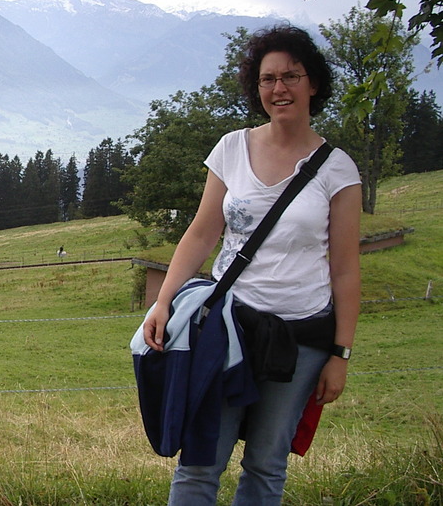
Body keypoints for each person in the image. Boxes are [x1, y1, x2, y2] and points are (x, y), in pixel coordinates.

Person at [142, 25, 362, 505]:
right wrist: (162, 302)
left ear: (313, 83)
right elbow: (202, 232)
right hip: (228, 331)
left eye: (290, 76)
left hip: (302, 338)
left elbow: (345, 270)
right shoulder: (232, 148)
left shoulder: (338, 169)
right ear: (255, 86)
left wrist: (340, 355)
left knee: (267, 464)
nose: (278, 89)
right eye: (267, 79)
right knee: (201, 460)